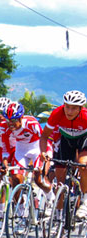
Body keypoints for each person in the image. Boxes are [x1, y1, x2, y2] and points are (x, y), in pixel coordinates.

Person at [1, 101, 54, 218]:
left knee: (39, 179)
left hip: (37, 148)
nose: (11, 124)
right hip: (21, 149)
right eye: (8, 120)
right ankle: (20, 211)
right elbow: (4, 146)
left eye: (14, 120)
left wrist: (44, 155)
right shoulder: (4, 127)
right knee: (15, 178)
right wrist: (5, 161)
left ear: (21, 118)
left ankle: (50, 195)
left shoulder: (31, 123)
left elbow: (44, 139)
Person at [40, 90, 87, 219]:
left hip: (84, 139)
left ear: (80, 108)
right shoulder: (57, 113)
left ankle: (85, 200)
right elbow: (44, 136)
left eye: (73, 108)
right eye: (67, 107)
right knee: (60, 179)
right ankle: (58, 215)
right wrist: (43, 152)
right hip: (66, 140)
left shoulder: (86, 116)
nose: (69, 111)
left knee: (83, 165)